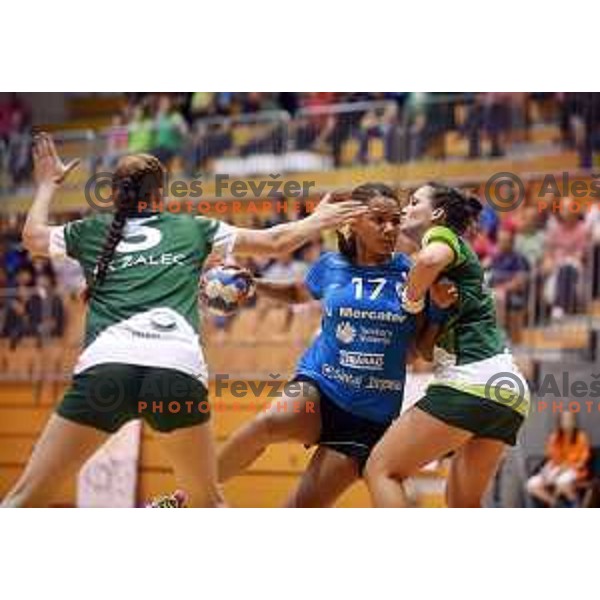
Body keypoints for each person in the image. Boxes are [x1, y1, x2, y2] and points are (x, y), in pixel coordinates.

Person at [1, 133, 365, 508]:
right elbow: (275, 242)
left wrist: (47, 184)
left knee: (25, 499)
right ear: (160, 195)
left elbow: (32, 238)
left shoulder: (90, 230)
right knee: (206, 502)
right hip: (174, 374)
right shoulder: (194, 228)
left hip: (105, 373)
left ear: (113, 195)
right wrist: (318, 220)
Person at [218, 183, 456, 507]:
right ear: (354, 221)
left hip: (368, 417)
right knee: (268, 423)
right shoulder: (331, 266)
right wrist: (255, 284)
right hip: (322, 386)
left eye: (395, 220)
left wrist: (440, 311)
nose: (389, 229)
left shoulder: (412, 273)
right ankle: (190, 493)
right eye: (378, 220)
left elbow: (423, 350)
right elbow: (298, 293)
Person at [365, 182, 531, 508]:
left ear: (437, 214)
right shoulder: (449, 269)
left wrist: (411, 302)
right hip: (507, 390)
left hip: (471, 381)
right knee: (461, 505)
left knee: (380, 469)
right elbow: (426, 351)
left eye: (414, 202)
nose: (406, 209)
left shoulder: (439, 236)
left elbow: (428, 260)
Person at [526, 411, 590, 507]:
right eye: (564, 419)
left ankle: (576, 504)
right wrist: (546, 471)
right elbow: (552, 459)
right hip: (557, 469)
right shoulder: (554, 437)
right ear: (560, 422)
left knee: (561, 482)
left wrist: (566, 467)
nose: (567, 422)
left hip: (575, 470)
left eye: (570, 419)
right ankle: (557, 504)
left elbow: (583, 461)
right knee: (531, 484)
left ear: (574, 422)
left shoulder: (581, 437)